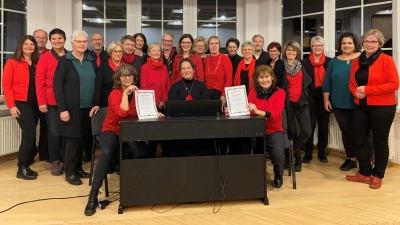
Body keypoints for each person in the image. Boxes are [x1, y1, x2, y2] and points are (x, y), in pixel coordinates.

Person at [84, 64, 163, 216]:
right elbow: (121, 113)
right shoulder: (114, 94)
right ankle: (93, 193)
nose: (127, 78)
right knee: (106, 152)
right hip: (112, 130)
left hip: (130, 132)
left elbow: (143, 113)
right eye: (124, 76)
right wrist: (126, 93)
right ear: (118, 79)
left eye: (130, 75)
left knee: (144, 152)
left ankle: (138, 188)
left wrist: (155, 113)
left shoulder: (139, 94)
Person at [346, 29, 399, 189]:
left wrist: (367, 91)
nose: (369, 44)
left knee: (380, 142)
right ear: (362, 43)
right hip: (361, 106)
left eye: (373, 41)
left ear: (379, 44)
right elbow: (351, 82)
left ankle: (378, 175)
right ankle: (364, 172)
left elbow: (394, 84)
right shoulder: (357, 60)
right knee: (359, 139)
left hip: (383, 107)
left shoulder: (386, 60)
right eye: (367, 41)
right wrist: (355, 92)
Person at [227, 65, 286, 188]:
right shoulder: (253, 92)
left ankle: (278, 175)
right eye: (261, 77)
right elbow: (246, 111)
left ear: (272, 78)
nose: (264, 80)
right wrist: (232, 110)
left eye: (267, 77)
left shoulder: (280, 93)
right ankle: (253, 177)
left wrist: (258, 111)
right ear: (257, 79)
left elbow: (275, 114)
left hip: (273, 131)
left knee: (278, 156)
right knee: (245, 149)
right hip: (255, 131)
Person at [53, 30, 97, 186]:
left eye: (84, 41)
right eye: (79, 41)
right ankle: (70, 172)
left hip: (88, 108)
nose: (82, 44)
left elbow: (96, 82)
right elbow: (57, 86)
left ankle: (78, 168)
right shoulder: (65, 60)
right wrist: (62, 109)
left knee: (83, 139)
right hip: (71, 109)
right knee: (72, 140)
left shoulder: (91, 60)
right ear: (72, 43)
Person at [322, 32, 362, 171]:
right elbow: (327, 82)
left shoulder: (362, 58)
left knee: (362, 132)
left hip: (360, 102)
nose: (346, 45)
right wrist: (326, 99)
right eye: (344, 43)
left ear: (355, 44)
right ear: (340, 45)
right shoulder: (334, 61)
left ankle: (365, 160)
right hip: (339, 103)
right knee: (346, 131)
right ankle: (351, 158)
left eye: (349, 43)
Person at [2, 35, 40, 180]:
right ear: (21, 46)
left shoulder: (36, 63)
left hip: (35, 104)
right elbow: (6, 85)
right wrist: (11, 106)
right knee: (30, 134)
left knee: (29, 134)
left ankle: (26, 163)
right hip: (21, 103)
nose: (29, 46)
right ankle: (21, 167)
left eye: (32, 44)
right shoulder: (12, 62)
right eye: (26, 44)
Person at [36, 28, 68, 176]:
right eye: (54, 39)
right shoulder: (46, 57)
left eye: (59, 38)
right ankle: (55, 160)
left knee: (67, 131)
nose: (57, 41)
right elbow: (39, 80)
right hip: (51, 100)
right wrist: (42, 102)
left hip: (68, 100)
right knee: (54, 131)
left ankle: (67, 159)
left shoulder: (70, 55)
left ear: (65, 40)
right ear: (50, 41)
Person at [167, 58, 212, 157]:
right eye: (183, 68)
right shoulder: (175, 87)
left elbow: (207, 106)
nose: (186, 70)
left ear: (193, 70)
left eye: (188, 68)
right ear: (180, 71)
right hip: (180, 124)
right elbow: (171, 107)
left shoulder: (201, 86)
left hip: (200, 123)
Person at [281, 40, 312, 172]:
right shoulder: (281, 66)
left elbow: (308, 84)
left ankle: (290, 153)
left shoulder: (302, 65)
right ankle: (297, 159)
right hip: (288, 104)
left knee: (306, 132)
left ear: (297, 52)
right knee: (292, 133)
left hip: (301, 103)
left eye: (294, 50)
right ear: (285, 52)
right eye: (289, 50)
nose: (291, 52)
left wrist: (306, 99)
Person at [301, 36, 331, 163]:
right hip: (310, 98)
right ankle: (308, 153)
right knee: (310, 126)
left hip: (325, 97)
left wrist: (329, 99)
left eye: (319, 45)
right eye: (314, 46)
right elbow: (301, 83)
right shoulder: (304, 63)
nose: (317, 48)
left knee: (324, 127)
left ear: (323, 47)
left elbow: (331, 81)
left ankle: (322, 152)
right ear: (311, 47)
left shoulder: (330, 62)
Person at [140, 42, 171, 157]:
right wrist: (157, 102)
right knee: (152, 132)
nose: (156, 52)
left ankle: (166, 154)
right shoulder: (144, 68)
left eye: (158, 50)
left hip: (164, 104)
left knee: (165, 131)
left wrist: (164, 101)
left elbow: (168, 86)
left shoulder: (164, 67)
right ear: (148, 53)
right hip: (150, 104)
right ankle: (151, 156)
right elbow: (144, 87)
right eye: (153, 50)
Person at [32, 29, 49, 163]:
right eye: (38, 37)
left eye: (43, 37)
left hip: (45, 97)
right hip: (30, 98)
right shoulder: (27, 54)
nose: (41, 39)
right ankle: (30, 155)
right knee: (30, 128)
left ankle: (44, 154)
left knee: (46, 127)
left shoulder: (50, 54)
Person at [203, 36, 232, 107]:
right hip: (206, 93)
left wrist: (224, 95)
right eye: (211, 43)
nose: (214, 45)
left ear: (219, 46)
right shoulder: (205, 60)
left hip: (219, 94)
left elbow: (229, 80)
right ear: (208, 46)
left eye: (216, 43)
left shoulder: (225, 59)